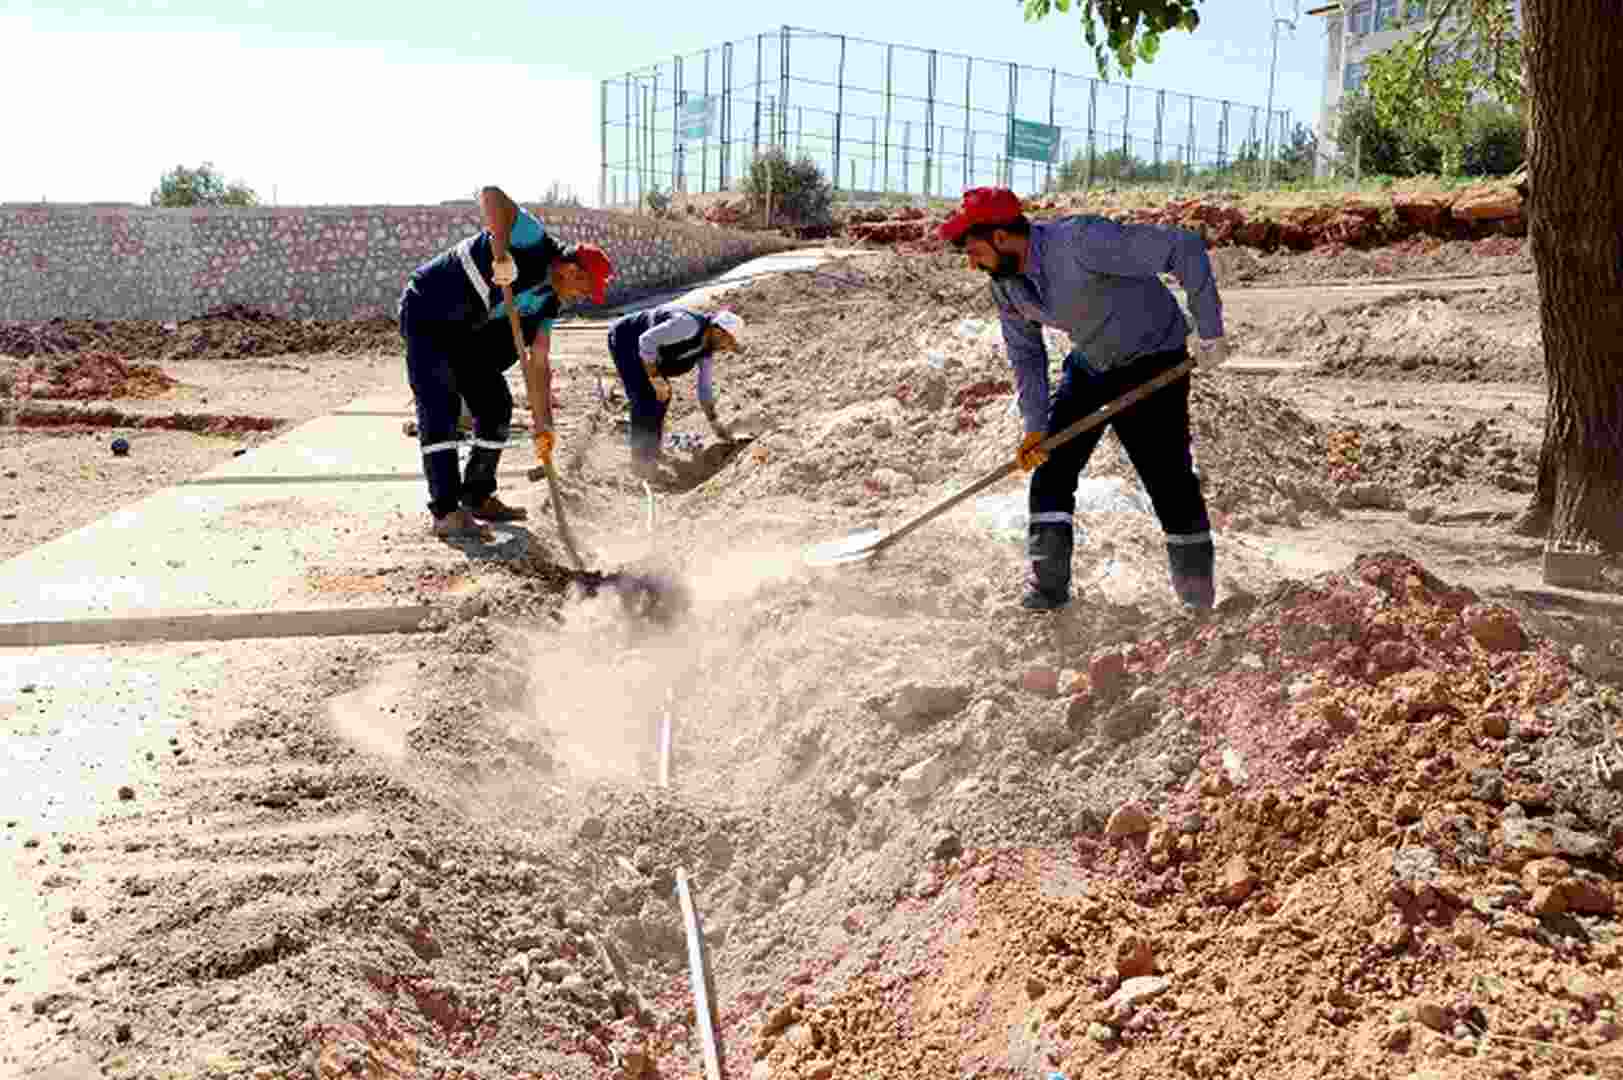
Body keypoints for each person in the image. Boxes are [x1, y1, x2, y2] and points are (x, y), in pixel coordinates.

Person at [939, 186, 1230, 612]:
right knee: (1050, 468)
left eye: (973, 250)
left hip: (1154, 360)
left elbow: (1182, 247)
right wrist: (1036, 429)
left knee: (1169, 483)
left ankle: (1197, 600)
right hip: (1091, 365)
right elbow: (1026, 356)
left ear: (1001, 237)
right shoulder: (1005, 288)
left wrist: (1209, 330)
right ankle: (1047, 591)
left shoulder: (1081, 241)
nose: (971, 263)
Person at [397, 185, 615, 538]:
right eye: (586, 288)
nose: (583, 297)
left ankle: (478, 495)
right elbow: (492, 196)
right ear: (573, 270)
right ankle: (447, 512)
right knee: (441, 406)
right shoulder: (533, 240)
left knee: (495, 405)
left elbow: (539, 363)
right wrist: (500, 255)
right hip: (429, 309)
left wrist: (544, 425)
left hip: (467, 333)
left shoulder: (549, 305)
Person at [606, 304, 744, 479]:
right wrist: (655, 378)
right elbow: (646, 341)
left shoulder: (706, 349)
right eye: (728, 343)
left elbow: (704, 388)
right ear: (718, 332)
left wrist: (714, 422)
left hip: (648, 352)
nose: (727, 349)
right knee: (644, 396)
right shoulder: (688, 326)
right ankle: (641, 464)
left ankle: (651, 452)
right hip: (626, 339)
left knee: (662, 397)